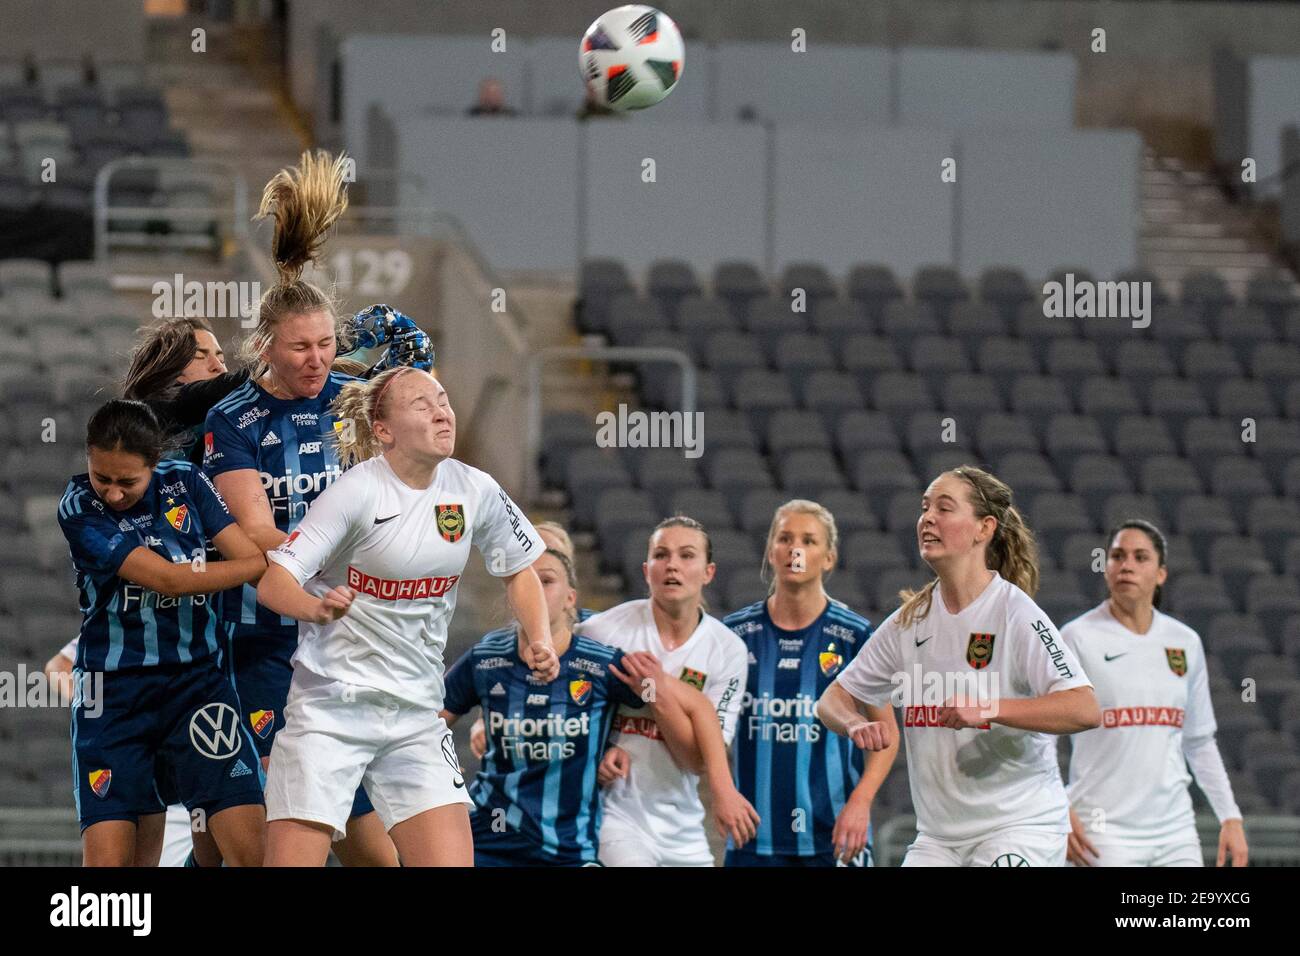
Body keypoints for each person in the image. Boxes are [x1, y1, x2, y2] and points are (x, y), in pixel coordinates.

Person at [203, 152, 423, 865]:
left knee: (373, 853)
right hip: (263, 646)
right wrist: (333, 559)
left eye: (328, 345)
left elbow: (425, 422)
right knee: (276, 840)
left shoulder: (353, 403)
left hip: (346, 650)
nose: (317, 359)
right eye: (301, 347)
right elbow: (258, 532)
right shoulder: (234, 419)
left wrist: (410, 354)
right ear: (265, 345)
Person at [256, 365, 557, 866]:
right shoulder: (357, 492)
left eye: (443, 399)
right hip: (331, 709)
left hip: (416, 714)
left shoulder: (473, 489)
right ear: (383, 430)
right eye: (422, 404)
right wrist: (316, 607)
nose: (442, 411)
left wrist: (539, 635)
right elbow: (274, 583)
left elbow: (521, 568)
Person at [816, 466, 1102, 867]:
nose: (928, 517)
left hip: (1019, 827)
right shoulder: (908, 621)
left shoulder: (1014, 612)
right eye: (925, 507)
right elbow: (833, 698)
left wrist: (988, 707)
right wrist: (854, 723)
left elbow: (1084, 708)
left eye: (945, 508)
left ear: (983, 528)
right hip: (938, 838)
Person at [58, 399, 269, 866]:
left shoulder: (187, 482)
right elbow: (168, 579)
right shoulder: (77, 506)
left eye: (127, 481)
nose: (112, 494)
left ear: (154, 464)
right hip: (112, 697)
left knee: (251, 853)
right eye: (102, 478)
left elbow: (241, 551)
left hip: (197, 685)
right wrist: (258, 563)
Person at [1063, 519, 1248, 867]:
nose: (1126, 565)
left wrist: (1230, 816)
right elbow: (1041, 734)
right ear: (1106, 569)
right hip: (1102, 830)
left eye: (1140, 557)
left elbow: (1199, 740)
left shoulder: (1184, 642)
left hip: (1174, 831)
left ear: (1161, 574)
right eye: (1117, 556)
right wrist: (1057, 805)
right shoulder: (1077, 638)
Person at [724, 499, 898, 867]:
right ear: (771, 552)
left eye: (809, 540)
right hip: (753, 838)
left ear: (829, 558)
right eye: (785, 538)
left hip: (835, 836)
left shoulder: (854, 635)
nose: (795, 549)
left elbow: (887, 734)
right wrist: (723, 790)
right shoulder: (734, 635)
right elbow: (708, 723)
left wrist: (861, 802)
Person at [441, 548, 642, 865]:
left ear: (570, 598)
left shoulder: (602, 663)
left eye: (546, 581)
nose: (534, 591)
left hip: (568, 850)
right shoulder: (485, 657)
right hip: (488, 839)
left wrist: (621, 746)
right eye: (526, 582)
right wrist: (438, 765)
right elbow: (430, 721)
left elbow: (660, 705)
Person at [581, 516, 759, 866]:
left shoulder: (728, 650)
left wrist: (655, 692)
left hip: (683, 825)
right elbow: (544, 677)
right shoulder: (601, 632)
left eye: (686, 555)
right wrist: (594, 756)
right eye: (661, 555)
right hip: (614, 816)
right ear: (647, 570)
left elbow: (694, 759)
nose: (672, 565)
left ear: (709, 572)